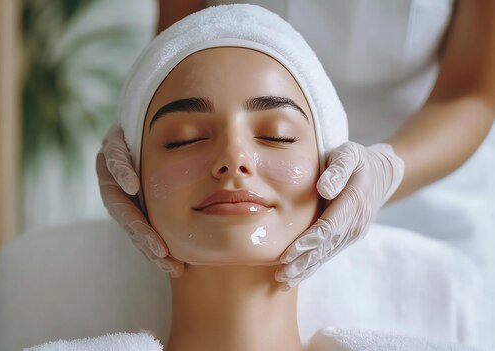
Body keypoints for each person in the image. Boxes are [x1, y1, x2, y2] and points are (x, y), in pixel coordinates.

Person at [97, 0, 495, 303]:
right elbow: (177, 50)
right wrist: (134, 127)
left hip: (430, 189)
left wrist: (388, 168)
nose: (234, 160)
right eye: (184, 138)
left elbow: (472, 93)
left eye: (278, 136)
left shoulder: (442, 296)